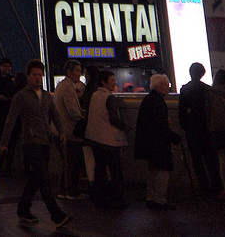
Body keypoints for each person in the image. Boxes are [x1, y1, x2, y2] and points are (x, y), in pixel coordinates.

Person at [0, 59, 72, 228]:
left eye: (40, 74)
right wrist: (4, 143)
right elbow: (11, 120)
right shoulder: (21, 96)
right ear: (28, 76)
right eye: (34, 75)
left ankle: (23, 209)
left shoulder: (46, 96)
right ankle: (57, 215)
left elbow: (54, 114)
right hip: (30, 143)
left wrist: (61, 131)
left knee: (36, 179)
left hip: (45, 142)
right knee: (44, 179)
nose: (37, 78)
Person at [86, 69, 131, 209]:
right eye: (111, 81)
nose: (114, 84)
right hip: (108, 140)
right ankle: (117, 199)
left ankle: (99, 197)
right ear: (104, 82)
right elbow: (113, 119)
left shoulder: (95, 95)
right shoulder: (109, 98)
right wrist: (125, 127)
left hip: (93, 137)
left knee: (99, 169)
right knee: (115, 169)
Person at [135, 74, 181, 209]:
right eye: (166, 85)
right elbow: (160, 125)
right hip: (159, 143)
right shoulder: (159, 102)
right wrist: (174, 137)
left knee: (153, 170)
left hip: (149, 142)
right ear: (159, 86)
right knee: (162, 170)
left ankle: (151, 197)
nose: (168, 87)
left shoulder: (149, 99)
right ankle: (160, 199)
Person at [179, 61, 221, 196]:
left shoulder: (185, 89)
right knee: (211, 159)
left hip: (192, 129)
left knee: (196, 160)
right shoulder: (208, 89)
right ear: (202, 73)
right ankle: (216, 185)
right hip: (206, 129)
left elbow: (181, 111)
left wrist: (185, 126)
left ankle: (203, 186)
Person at [53, 59, 86, 200]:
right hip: (68, 131)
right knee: (72, 163)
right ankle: (72, 191)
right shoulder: (67, 87)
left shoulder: (63, 85)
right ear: (69, 72)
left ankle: (63, 190)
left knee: (65, 163)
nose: (79, 74)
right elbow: (72, 110)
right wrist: (82, 117)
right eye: (77, 70)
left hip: (60, 130)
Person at [0, 57, 16, 172]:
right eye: (5, 66)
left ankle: (4, 164)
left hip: (7, 112)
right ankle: (0, 163)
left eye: (8, 66)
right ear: (0, 67)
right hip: (0, 113)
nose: (7, 68)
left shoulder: (12, 80)